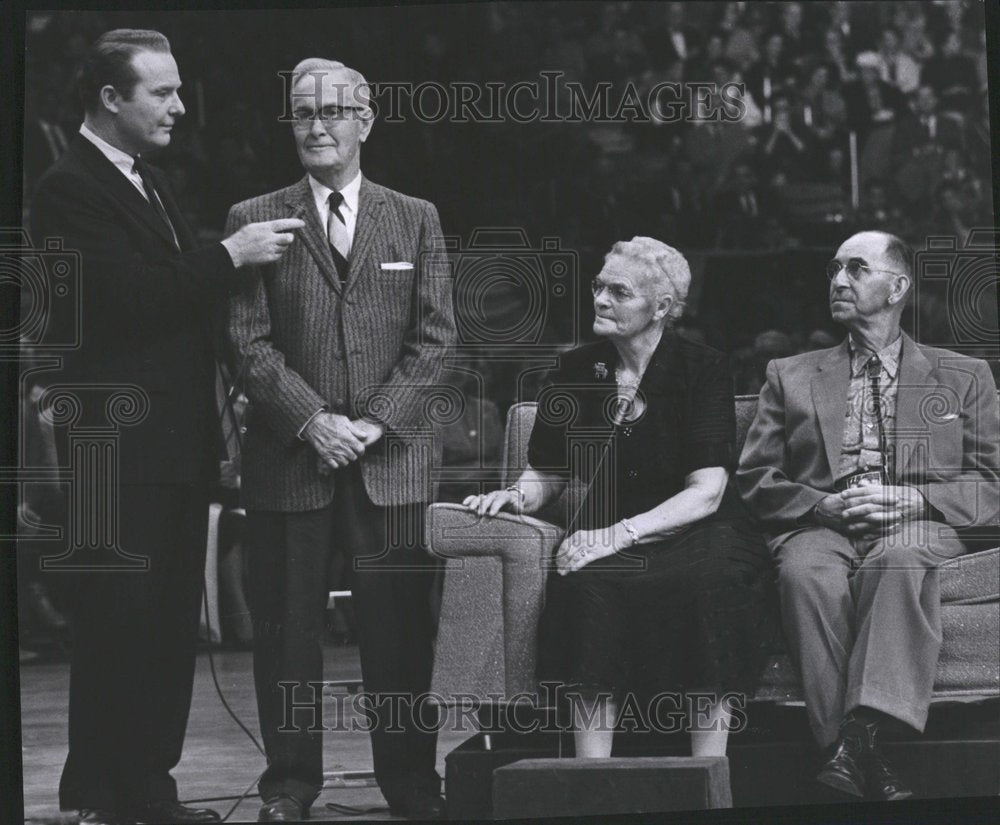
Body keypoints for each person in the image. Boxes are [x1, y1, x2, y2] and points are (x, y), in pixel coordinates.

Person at [29, 29, 304, 825]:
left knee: (165, 627)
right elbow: (131, 299)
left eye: (179, 89)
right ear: (110, 98)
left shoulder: (147, 179)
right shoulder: (68, 186)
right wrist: (231, 254)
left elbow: (177, 307)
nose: (180, 106)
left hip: (173, 444)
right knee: (119, 622)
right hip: (116, 449)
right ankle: (99, 793)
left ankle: (148, 788)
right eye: (162, 92)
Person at [226, 58, 454, 822]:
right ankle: (289, 788)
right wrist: (312, 419)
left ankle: (413, 785)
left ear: (366, 120)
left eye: (332, 111)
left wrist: (375, 420)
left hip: (391, 462)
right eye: (301, 112)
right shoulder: (253, 217)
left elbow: (436, 338)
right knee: (288, 637)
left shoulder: (415, 216)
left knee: (398, 637)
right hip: (291, 459)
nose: (316, 125)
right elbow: (247, 343)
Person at [465, 237, 774, 759]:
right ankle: (595, 782)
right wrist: (516, 496)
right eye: (598, 286)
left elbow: (706, 493)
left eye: (619, 291)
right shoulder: (575, 371)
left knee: (710, 583)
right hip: (610, 527)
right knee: (587, 587)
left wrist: (612, 536)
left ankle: (708, 774)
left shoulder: (702, 369)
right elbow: (550, 472)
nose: (600, 300)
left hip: (702, 530)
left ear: (662, 308)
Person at [736, 231, 1000, 800]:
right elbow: (755, 479)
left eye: (856, 269)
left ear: (898, 286)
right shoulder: (790, 374)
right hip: (820, 524)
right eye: (833, 269)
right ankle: (860, 752)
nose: (837, 281)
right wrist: (821, 504)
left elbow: (994, 482)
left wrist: (921, 500)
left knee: (900, 559)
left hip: (916, 523)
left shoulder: (963, 375)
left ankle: (847, 747)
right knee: (804, 574)